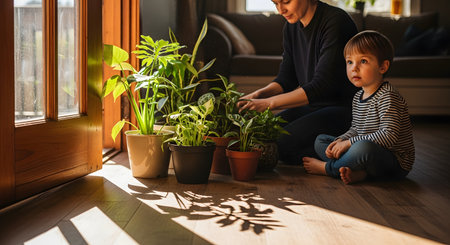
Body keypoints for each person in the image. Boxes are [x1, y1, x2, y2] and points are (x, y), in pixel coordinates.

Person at [237, 0, 358, 164]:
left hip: (345, 109)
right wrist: (258, 95)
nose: (281, 10)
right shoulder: (291, 26)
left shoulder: (336, 21)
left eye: (286, 2)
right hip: (313, 106)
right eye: (275, 3)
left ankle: (351, 157)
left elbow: (321, 86)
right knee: (262, 135)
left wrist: (267, 104)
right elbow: (286, 78)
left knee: (282, 144)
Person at [303, 30, 415, 184]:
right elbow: (356, 129)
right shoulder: (358, 97)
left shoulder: (388, 97)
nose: (354, 68)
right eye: (350, 62)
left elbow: (388, 136)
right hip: (364, 151)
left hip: (394, 163)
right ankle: (360, 172)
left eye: (363, 61)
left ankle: (328, 169)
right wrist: (342, 140)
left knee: (363, 148)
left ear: (383, 67)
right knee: (321, 140)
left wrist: (349, 143)